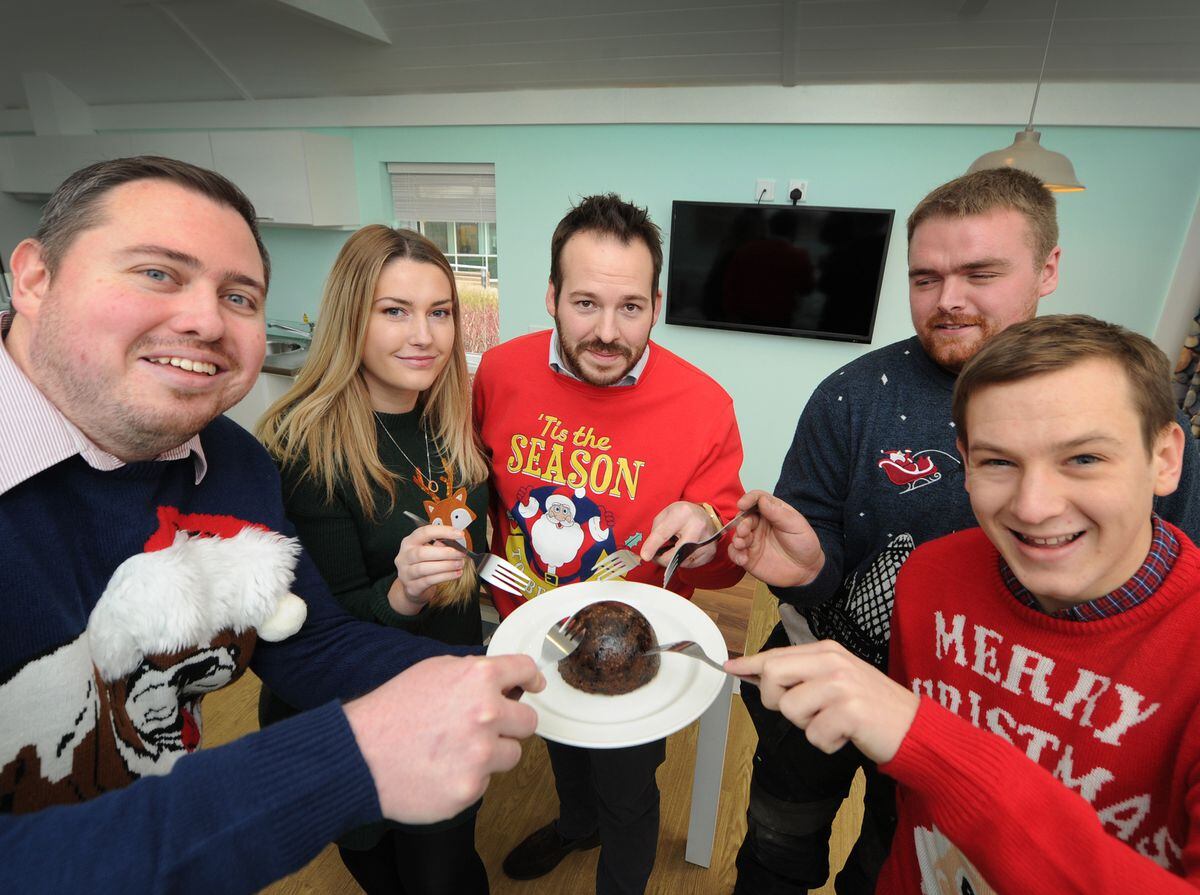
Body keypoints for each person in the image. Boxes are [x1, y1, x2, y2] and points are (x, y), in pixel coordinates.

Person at [0, 156, 542, 893]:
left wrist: (483, 674)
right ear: (32, 278)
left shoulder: (231, 464)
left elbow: (308, 638)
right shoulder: (299, 450)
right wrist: (349, 757)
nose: (203, 319)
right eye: (157, 272)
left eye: (239, 295)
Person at [730, 167, 1200, 895]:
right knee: (783, 844)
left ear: (1048, 268)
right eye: (926, 278)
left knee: (892, 847)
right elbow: (815, 560)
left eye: (981, 272)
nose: (1035, 504)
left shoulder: (1118, 404)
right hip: (826, 675)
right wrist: (806, 568)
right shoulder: (854, 396)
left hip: (992, 729)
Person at [472, 193, 746, 894]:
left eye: (630, 307)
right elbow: (474, 483)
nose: (607, 332)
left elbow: (716, 570)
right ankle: (573, 823)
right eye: (585, 303)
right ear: (552, 297)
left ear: (655, 303)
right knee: (558, 739)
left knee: (628, 789)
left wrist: (706, 533)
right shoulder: (498, 373)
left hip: (634, 650)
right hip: (529, 625)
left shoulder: (705, 405)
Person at [256, 226, 493, 894]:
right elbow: (317, 635)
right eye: (395, 310)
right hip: (357, 722)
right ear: (350, 318)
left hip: (446, 695)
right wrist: (404, 591)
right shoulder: (305, 446)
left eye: (439, 311)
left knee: (451, 864)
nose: (424, 335)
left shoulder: (450, 418)